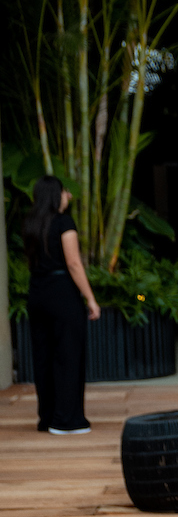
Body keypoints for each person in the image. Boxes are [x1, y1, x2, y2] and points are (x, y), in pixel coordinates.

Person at [22, 175, 101, 434]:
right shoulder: (64, 222)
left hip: (37, 293)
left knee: (43, 355)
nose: (69, 195)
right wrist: (90, 298)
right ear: (56, 195)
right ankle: (66, 420)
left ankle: (47, 418)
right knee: (67, 355)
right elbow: (74, 263)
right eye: (65, 192)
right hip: (62, 294)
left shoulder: (31, 223)